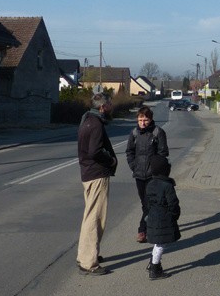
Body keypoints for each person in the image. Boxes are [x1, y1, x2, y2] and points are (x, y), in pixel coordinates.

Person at [76, 92, 117, 276]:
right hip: (96, 174)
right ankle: (88, 262)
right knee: (95, 218)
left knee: (90, 216)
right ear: (102, 107)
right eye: (109, 104)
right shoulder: (96, 124)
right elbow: (95, 151)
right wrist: (111, 161)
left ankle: (88, 254)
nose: (111, 107)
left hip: (88, 173)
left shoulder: (87, 119)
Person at [126, 106, 169, 243]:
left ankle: (142, 230)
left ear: (150, 119)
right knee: (145, 204)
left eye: (146, 120)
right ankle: (150, 225)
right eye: (140, 120)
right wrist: (133, 166)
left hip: (153, 176)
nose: (143, 123)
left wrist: (157, 170)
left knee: (150, 203)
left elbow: (163, 153)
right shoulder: (134, 133)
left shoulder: (158, 132)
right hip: (139, 175)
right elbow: (129, 152)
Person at [144, 154, 181, 280]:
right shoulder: (167, 186)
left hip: (153, 218)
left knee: (158, 244)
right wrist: (174, 216)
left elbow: (147, 203)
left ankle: (153, 264)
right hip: (164, 219)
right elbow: (173, 204)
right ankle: (154, 269)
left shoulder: (149, 184)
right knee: (160, 245)